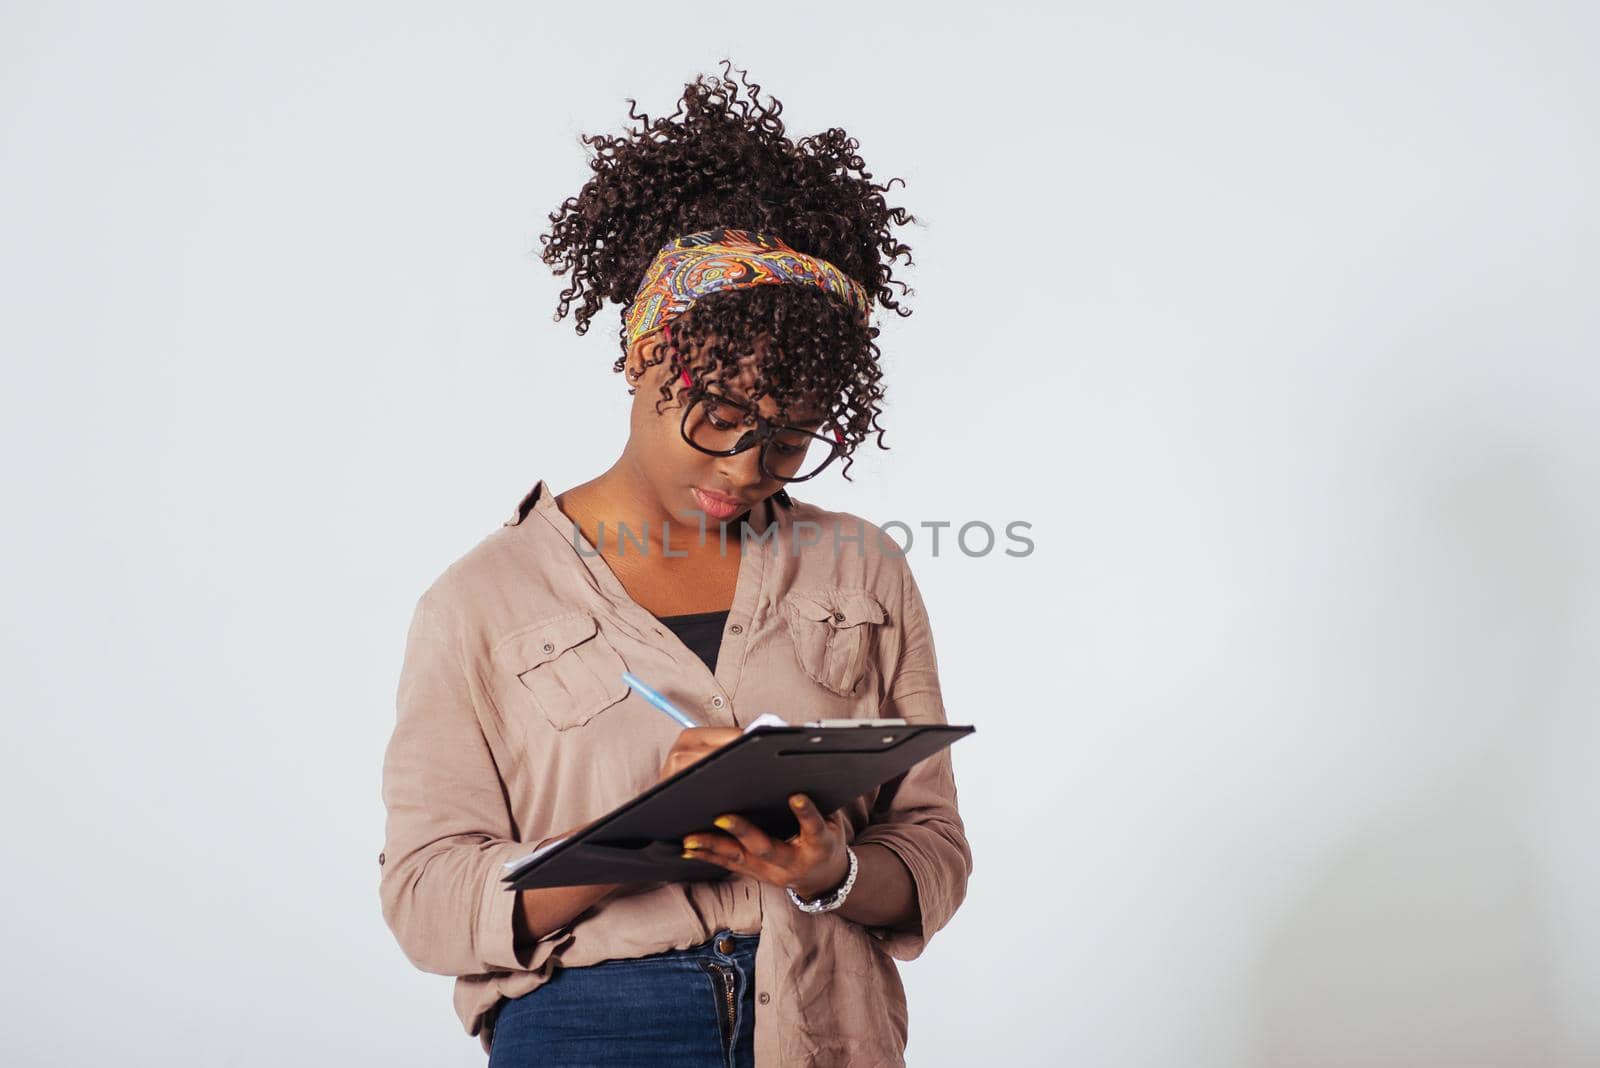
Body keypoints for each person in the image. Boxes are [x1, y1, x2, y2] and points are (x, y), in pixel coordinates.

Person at [377, 61, 973, 1067]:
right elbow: (425, 899)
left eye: (787, 437)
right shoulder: (479, 601)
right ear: (644, 355)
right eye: (722, 417)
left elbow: (932, 851)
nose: (745, 468)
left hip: (827, 1019)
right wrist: (647, 830)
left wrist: (828, 868)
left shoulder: (859, 571)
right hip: (599, 1024)